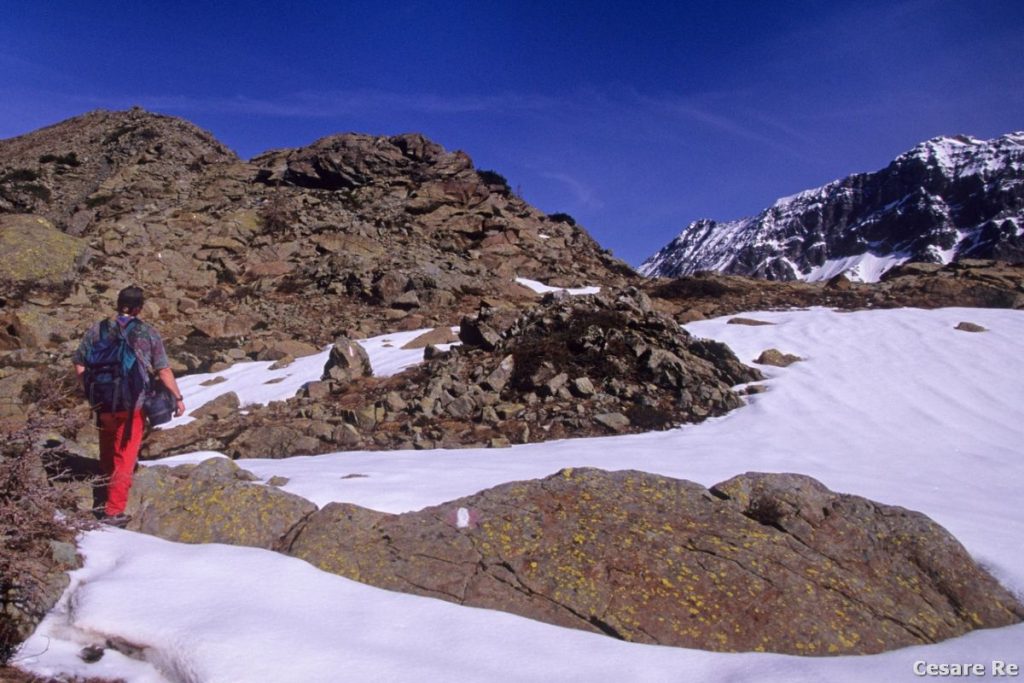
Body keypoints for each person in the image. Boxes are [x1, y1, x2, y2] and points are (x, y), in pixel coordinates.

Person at [73, 286, 186, 526]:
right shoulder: (147, 332)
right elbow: (163, 370)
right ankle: (113, 511)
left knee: (107, 450)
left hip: (103, 402)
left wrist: (93, 391)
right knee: (124, 457)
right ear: (139, 307)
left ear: (118, 303)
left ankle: (104, 490)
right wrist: (177, 398)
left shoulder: (98, 329)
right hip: (132, 404)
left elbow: (80, 365)